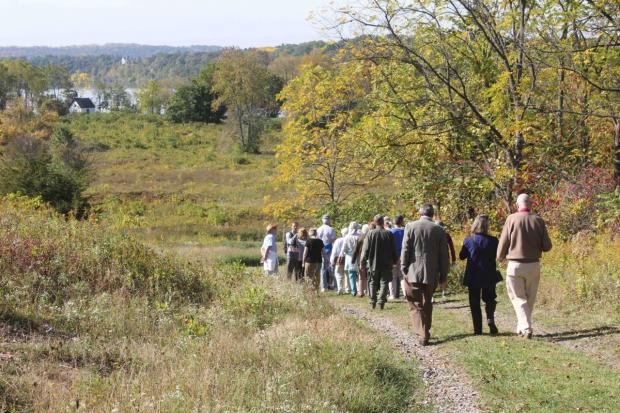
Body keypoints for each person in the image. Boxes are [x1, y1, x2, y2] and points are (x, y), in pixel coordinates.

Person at [497, 193, 552, 339]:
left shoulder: (511, 219)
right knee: (529, 299)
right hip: (533, 265)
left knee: (518, 298)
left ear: (517, 204)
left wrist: (500, 257)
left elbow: (503, 242)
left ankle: (526, 328)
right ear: (531, 204)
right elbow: (547, 246)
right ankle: (522, 327)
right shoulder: (538, 220)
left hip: (515, 265)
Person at [401, 204, 449, 346]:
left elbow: (405, 248)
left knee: (414, 302)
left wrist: (403, 267)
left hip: (413, 270)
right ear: (432, 214)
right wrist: (443, 275)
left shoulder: (410, 226)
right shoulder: (439, 230)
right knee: (427, 301)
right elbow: (444, 255)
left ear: (420, 213)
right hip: (431, 272)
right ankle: (425, 328)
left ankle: (423, 334)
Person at [459, 215, 500, 335]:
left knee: (474, 302)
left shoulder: (468, 240)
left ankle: (478, 329)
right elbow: (498, 256)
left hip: (473, 275)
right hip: (489, 274)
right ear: (487, 226)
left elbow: (462, 256)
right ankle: (490, 319)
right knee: (490, 299)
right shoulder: (494, 241)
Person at [361, 215, 398, 310]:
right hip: (386, 262)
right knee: (384, 282)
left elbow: (365, 250)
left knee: (372, 281)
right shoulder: (388, 234)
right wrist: (395, 260)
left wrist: (362, 262)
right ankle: (381, 302)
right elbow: (393, 249)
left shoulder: (370, 234)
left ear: (374, 222)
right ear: (382, 222)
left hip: (373, 263)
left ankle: (373, 301)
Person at [317, 215, 337, 292]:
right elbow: (333, 240)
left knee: (323, 268)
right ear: (328, 220)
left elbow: (318, 240)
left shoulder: (318, 229)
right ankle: (333, 285)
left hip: (321, 249)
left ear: (322, 220)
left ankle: (324, 286)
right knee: (331, 267)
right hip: (329, 249)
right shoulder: (331, 229)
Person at [389, 214, 405, 300]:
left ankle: (392, 294)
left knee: (392, 277)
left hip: (393, 256)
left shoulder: (391, 232)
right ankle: (406, 293)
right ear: (401, 221)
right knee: (402, 276)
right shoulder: (405, 231)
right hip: (403, 255)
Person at [352, 224, 370, 297]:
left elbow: (355, 250)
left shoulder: (360, 238)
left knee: (361, 276)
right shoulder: (371, 237)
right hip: (369, 259)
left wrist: (353, 259)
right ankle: (368, 291)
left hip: (361, 259)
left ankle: (361, 292)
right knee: (369, 276)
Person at [343, 222, 360, 296]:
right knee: (360, 273)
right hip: (359, 256)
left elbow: (344, 248)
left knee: (351, 274)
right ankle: (360, 289)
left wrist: (348, 252)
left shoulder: (347, 237)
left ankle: (354, 290)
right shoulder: (360, 236)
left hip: (350, 257)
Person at [331, 227, 349, 294]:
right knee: (347, 274)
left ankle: (340, 288)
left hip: (339, 258)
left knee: (338, 274)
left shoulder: (338, 240)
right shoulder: (348, 239)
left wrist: (332, 260)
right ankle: (347, 289)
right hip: (347, 258)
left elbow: (334, 251)